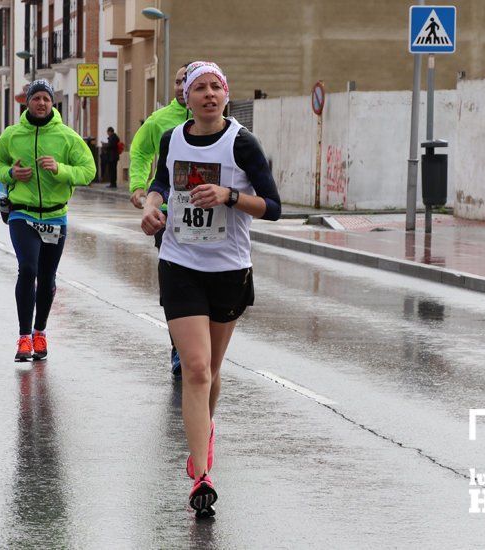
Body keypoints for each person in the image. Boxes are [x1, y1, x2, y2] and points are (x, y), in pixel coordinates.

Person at [140, 62, 282, 518]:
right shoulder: (172, 138)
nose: (206, 94)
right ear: (186, 96)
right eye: (197, 87)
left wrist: (229, 197)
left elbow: (274, 207)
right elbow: (162, 182)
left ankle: (205, 433)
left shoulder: (242, 143)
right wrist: (151, 204)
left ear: (226, 93)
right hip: (180, 263)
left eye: (214, 87)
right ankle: (201, 474)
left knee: (213, 370)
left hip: (229, 270)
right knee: (197, 370)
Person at [0, 79, 95, 362]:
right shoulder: (12, 135)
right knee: (27, 268)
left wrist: (60, 169)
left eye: (46, 99)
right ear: (28, 102)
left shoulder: (67, 137)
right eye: (36, 98)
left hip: (55, 216)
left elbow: (88, 171)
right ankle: (24, 337)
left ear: (52, 103)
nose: (41, 103)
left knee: (47, 277)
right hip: (21, 213)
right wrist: (10, 174)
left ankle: (40, 331)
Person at [129, 63, 191, 378]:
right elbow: (139, 152)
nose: (182, 86)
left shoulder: (220, 121)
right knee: (176, 284)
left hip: (211, 219)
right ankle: (180, 348)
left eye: (187, 80)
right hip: (169, 213)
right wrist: (139, 187)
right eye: (178, 80)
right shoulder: (160, 122)